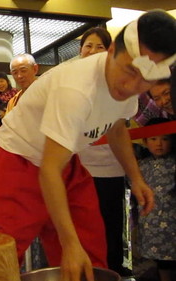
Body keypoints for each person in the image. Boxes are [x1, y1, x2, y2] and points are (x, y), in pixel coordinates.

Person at [0, 10, 175, 281]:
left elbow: (116, 127)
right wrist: (68, 244)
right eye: (130, 71)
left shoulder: (127, 87)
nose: (133, 86)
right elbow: (48, 170)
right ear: (112, 50)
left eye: (146, 80)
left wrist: (136, 178)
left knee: (89, 253)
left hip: (64, 162)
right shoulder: (76, 89)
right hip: (18, 158)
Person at [75, 27, 131, 276]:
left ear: (109, 52)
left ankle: (112, 273)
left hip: (110, 170)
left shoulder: (116, 85)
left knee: (110, 229)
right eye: (88, 45)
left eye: (100, 46)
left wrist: (135, 176)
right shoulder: (72, 83)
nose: (93, 51)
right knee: (83, 229)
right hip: (79, 171)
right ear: (80, 51)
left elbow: (120, 131)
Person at [135, 117, 176, 281]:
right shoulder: (140, 165)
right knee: (161, 262)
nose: (159, 144)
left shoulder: (174, 163)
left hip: (172, 221)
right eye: (153, 139)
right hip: (151, 222)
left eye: (165, 138)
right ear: (145, 141)